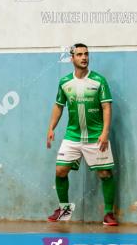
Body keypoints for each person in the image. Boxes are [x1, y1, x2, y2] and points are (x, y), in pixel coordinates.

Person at [46, 44, 117, 226]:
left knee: (105, 173)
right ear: (72, 58)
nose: (84, 57)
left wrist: (105, 132)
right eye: (79, 54)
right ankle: (64, 209)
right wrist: (51, 128)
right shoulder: (64, 82)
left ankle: (109, 213)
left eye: (86, 54)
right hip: (72, 136)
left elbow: (106, 107)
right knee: (60, 170)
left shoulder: (99, 81)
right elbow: (58, 106)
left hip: (96, 136)